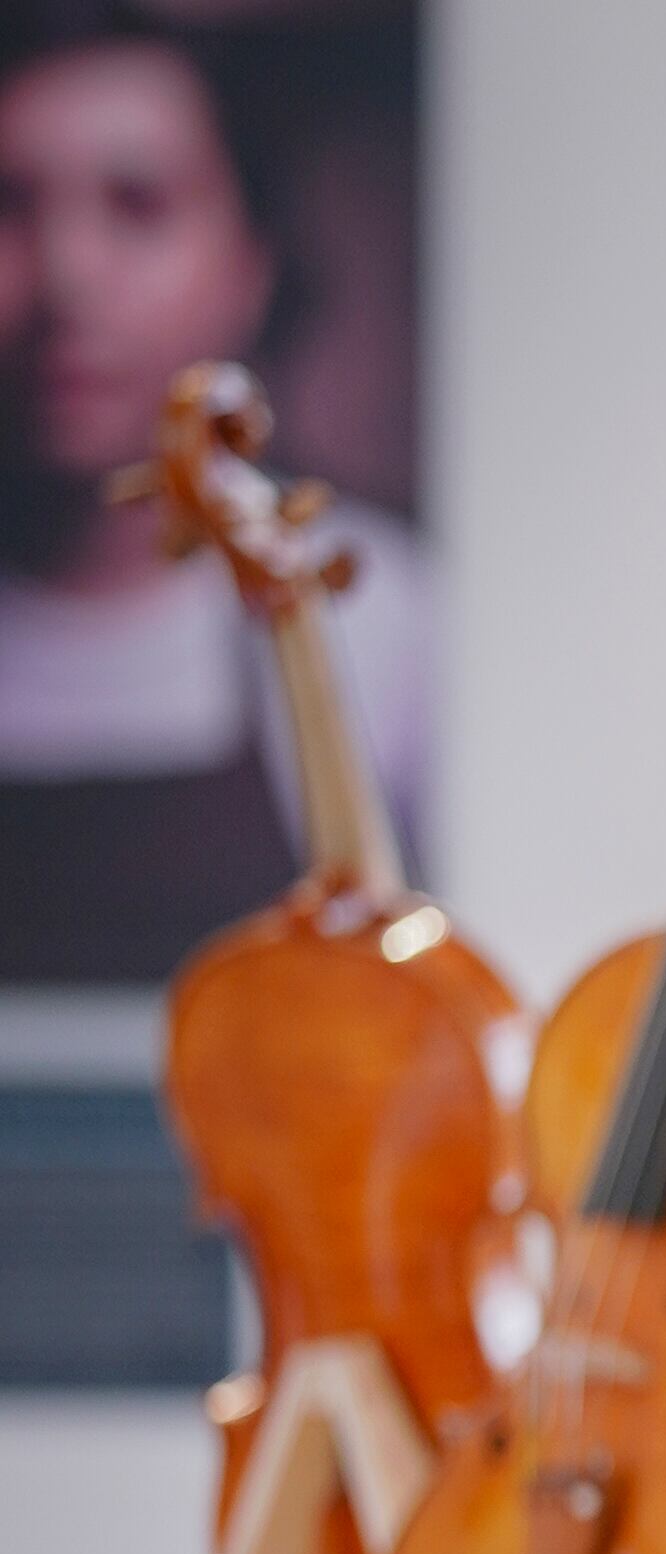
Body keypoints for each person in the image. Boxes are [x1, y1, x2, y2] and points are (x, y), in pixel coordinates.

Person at [0, 8, 426, 985]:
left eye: (139, 204)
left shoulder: (389, 620)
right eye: (10, 204)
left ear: (251, 262)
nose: (70, 276)